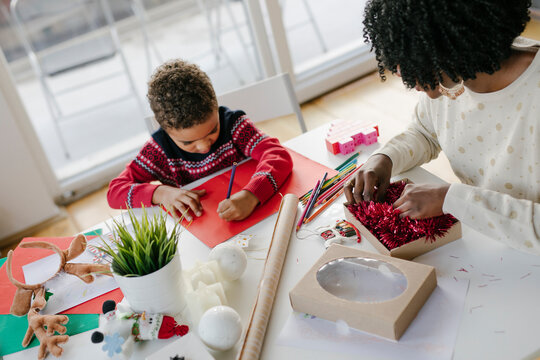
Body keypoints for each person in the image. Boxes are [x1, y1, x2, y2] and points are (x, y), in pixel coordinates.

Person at [345, 0, 540, 254]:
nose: (401, 75)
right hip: (487, 246)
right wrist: (385, 158)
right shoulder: (453, 80)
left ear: (447, 41)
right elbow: (425, 133)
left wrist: (452, 200)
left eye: (411, 56)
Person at [107, 59, 293, 221]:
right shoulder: (159, 150)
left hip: (262, 214)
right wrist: (161, 193)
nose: (204, 146)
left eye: (212, 130)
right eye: (188, 142)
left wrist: (252, 194)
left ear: (215, 106)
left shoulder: (234, 126)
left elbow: (277, 155)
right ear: (166, 130)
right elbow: (115, 192)